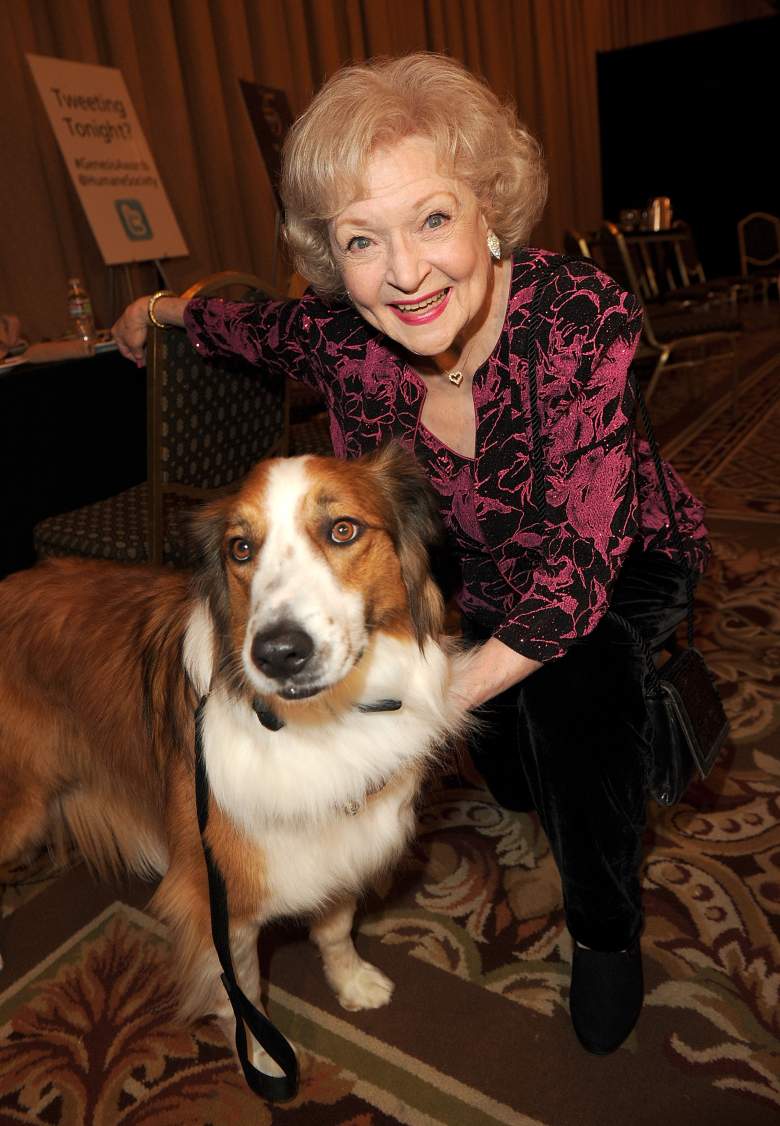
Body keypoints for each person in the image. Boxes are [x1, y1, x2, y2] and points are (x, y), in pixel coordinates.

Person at [113, 52, 710, 1056]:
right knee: (486, 711)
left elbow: (571, 571)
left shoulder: (576, 318)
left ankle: (606, 930)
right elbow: (250, 324)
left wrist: (435, 698)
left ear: (488, 207)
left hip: (616, 553)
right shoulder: (347, 336)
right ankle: (536, 812)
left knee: (575, 683)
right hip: (479, 557)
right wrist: (160, 310)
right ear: (331, 252)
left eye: (432, 218)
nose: (403, 272)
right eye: (361, 239)